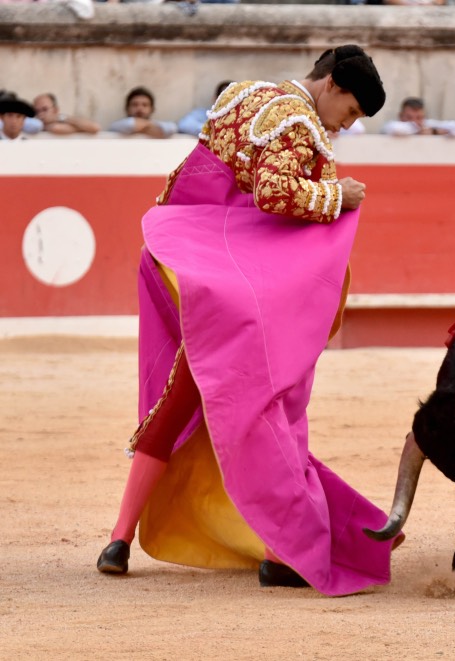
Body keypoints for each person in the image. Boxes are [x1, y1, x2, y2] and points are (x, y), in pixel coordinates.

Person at [95, 45, 398, 595]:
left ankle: (118, 538)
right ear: (330, 84)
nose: (345, 126)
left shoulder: (240, 94)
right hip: (247, 294)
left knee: (183, 395)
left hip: (204, 276)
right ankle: (278, 551)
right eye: (350, 112)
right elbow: (274, 192)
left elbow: (188, 180)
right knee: (271, 405)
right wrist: (338, 194)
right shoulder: (299, 120)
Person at [380, 96, 455, 137]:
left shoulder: (429, 125)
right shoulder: (391, 125)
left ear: (424, 117)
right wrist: (418, 131)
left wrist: (434, 131)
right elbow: (396, 130)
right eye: (409, 117)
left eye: (419, 117)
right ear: (400, 116)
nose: (414, 121)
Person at [108, 86, 177, 138]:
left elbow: (172, 128)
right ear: (127, 108)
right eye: (135, 105)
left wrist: (142, 127)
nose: (140, 108)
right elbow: (128, 125)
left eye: (145, 105)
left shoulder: (161, 124)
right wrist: (148, 128)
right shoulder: (118, 126)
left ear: (152, 109)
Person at [32, 92, 101, 135]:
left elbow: (95, 127)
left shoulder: (63, 120)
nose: (40, 114)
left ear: (55, 110)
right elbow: (56, 128)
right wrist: (83, 129)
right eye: (37, 111)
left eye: (45, 109)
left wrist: (60, 117)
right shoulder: (36, 126)